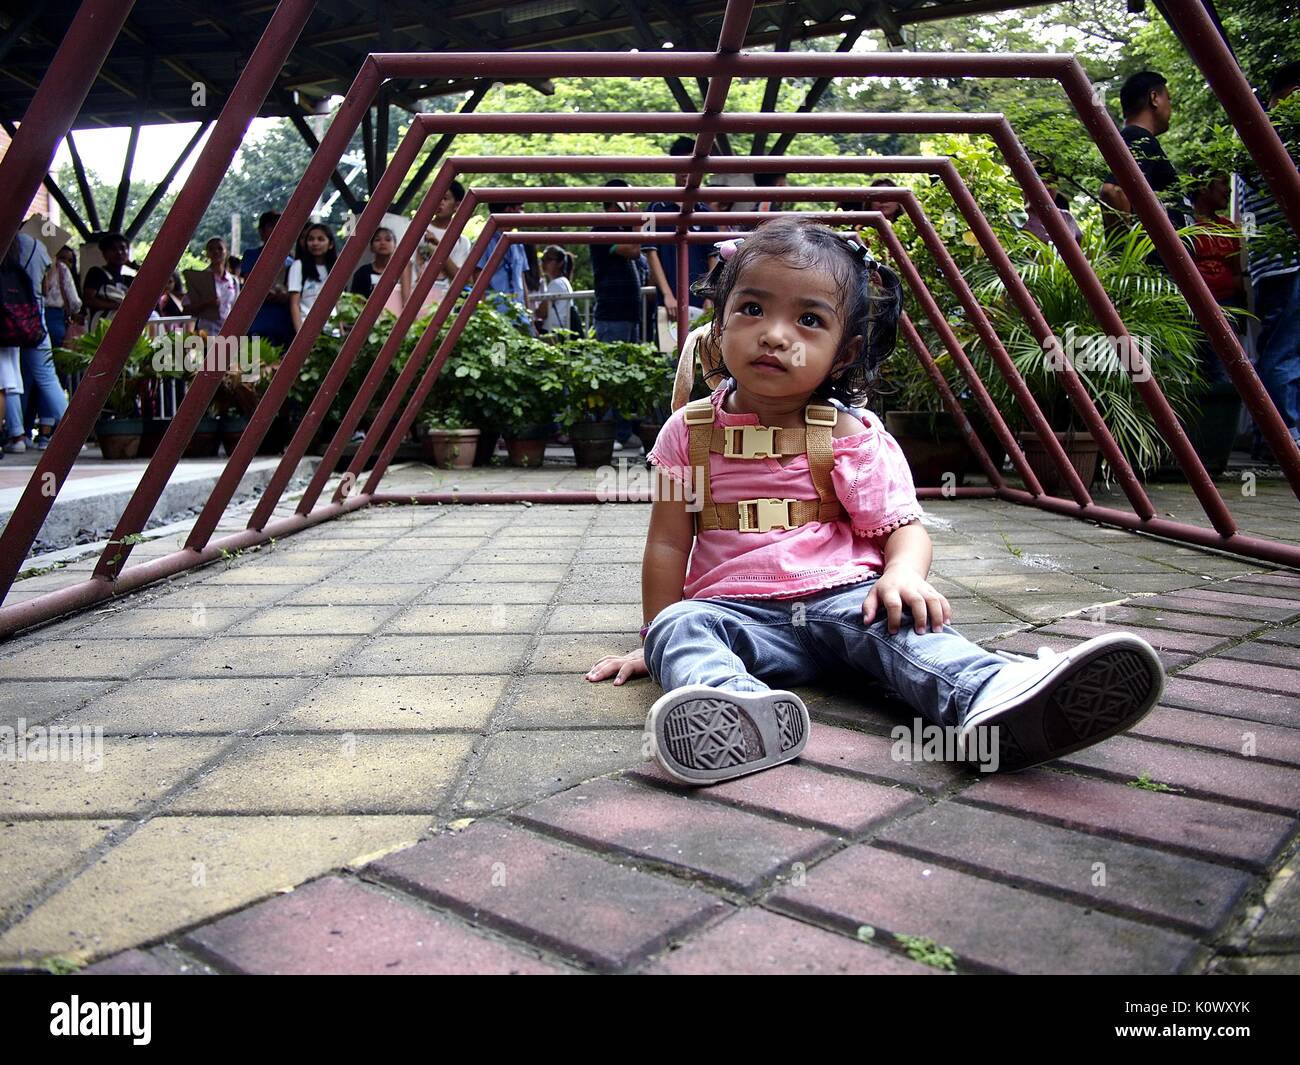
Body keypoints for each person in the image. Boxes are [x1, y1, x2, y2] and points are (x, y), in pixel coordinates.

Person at [584, 216, 1165, 784]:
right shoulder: (685, 432)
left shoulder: (850, 433)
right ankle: (734, 711)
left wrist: (905, 576)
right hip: (735, 615)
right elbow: (666, 543)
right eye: (752, 309)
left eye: (809, 319)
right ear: (720, 322)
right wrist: (655, 641)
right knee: (681, 625)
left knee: (911, 632)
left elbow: (904, 528)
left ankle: (992, 695)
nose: (775, 335)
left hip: (848, 599)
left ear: (843, 352)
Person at [1235, 61, 1300, 456]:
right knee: (1285, 352)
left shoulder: (1256, 140)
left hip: (1269, 263)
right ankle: (1287, 438)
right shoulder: (1281, 139)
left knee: (1281, 348)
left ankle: (1272, 439)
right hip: (1287, 260)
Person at [1098, 71, 1193, 244]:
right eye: (1168, 99)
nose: (1170, 106)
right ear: (1154, 98)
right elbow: (1112, 191)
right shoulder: (1138, 138)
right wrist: (1128, 257)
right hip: (1157, 267)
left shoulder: (1136, 140)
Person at [645, 136, 718, 347]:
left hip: (701, 302)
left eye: (692, 165)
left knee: (699, 359)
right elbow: (650, 253)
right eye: (682, 164)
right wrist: (668, 295)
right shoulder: (655, 208)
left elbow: (712, 257)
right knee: (668, 358)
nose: (687, 171)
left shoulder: (705, 211)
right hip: (668, 303)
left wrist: (710, 295)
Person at [3, 232, 67, 452]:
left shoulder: (6, 242)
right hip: (32, 316)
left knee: (7, 380)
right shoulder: (36, 245)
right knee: (47, 376)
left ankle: (17, 436)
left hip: (5, 319)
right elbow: (46, 286)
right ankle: (71, 429)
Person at [241, 211, 295, 348]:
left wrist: (287, 296)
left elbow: (295, 292)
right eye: (272, 226)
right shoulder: (251, 256)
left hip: (285, 326)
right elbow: (250, 287)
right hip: (258, 323)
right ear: (261, 231)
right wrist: (269, 295)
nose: (277, 230)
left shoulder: (292, 261)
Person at [472, 200, 529, 313]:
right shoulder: (485, 242)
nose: (523, 214)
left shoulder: (518, 244)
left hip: (519, 314)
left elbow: (522, 282)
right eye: (520, 209)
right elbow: (477, 280)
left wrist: (529, 317)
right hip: (496, 314)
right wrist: (485, 314)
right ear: (509, 209)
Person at [422, 179, 472, 307]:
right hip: (417, 299)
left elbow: (463, 279)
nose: (439, 202)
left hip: (445, 305)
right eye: (437, 197)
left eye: (445, 198)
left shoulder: (462, 241)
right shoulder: (418, 230)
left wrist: (439, 247)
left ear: (457, 205)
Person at [287, 222, 337, 334]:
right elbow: (294, 303)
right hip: (307, 330)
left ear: (330, 244)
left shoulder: (336, 268)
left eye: (320, 239)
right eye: (311, 239)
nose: (315, 243)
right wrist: (300, 334)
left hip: (333, 331)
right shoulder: (298, 266)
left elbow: (338, 301)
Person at [348, 226, 411, 313]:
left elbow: (407, 300)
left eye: (388, 240)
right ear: (371, 246)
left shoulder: (403, 271)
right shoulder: (362, 272)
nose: (382, 243)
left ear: (395, 246)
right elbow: (356, 304)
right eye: (377, 240)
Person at [186, 237, 239, 334]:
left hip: (227, 333)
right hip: (206, 332)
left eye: (220, 248)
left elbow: (236, 308)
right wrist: (206, 304)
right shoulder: (199, 279)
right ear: (207, 253)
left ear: (226, 252)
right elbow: (187, 308)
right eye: (211, 249)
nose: (216, 252)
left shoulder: (233, 281)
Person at [83, 232, 135, 329]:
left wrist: (134, 266)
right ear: (104, 254)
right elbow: (89, 300)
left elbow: (153, 281)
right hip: (102, 326)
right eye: (113, 249)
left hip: (124, 325)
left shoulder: (128, 279)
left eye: (123, 249)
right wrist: (117, 306)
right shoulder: (97, 273)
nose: (119, 252)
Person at [42, 244, 83, 348]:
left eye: (70, 260)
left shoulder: (37, 264)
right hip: (55, 318)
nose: (66, 262)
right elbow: (74, 302)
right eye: (62, 258)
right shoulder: (62, 268)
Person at [534, 245, 575, 334]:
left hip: (552, 332)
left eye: (548, 259)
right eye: (542, 259)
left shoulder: (556, 284)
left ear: (559, 263)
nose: (543, 263)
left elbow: (542, 313)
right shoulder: (564, 281)